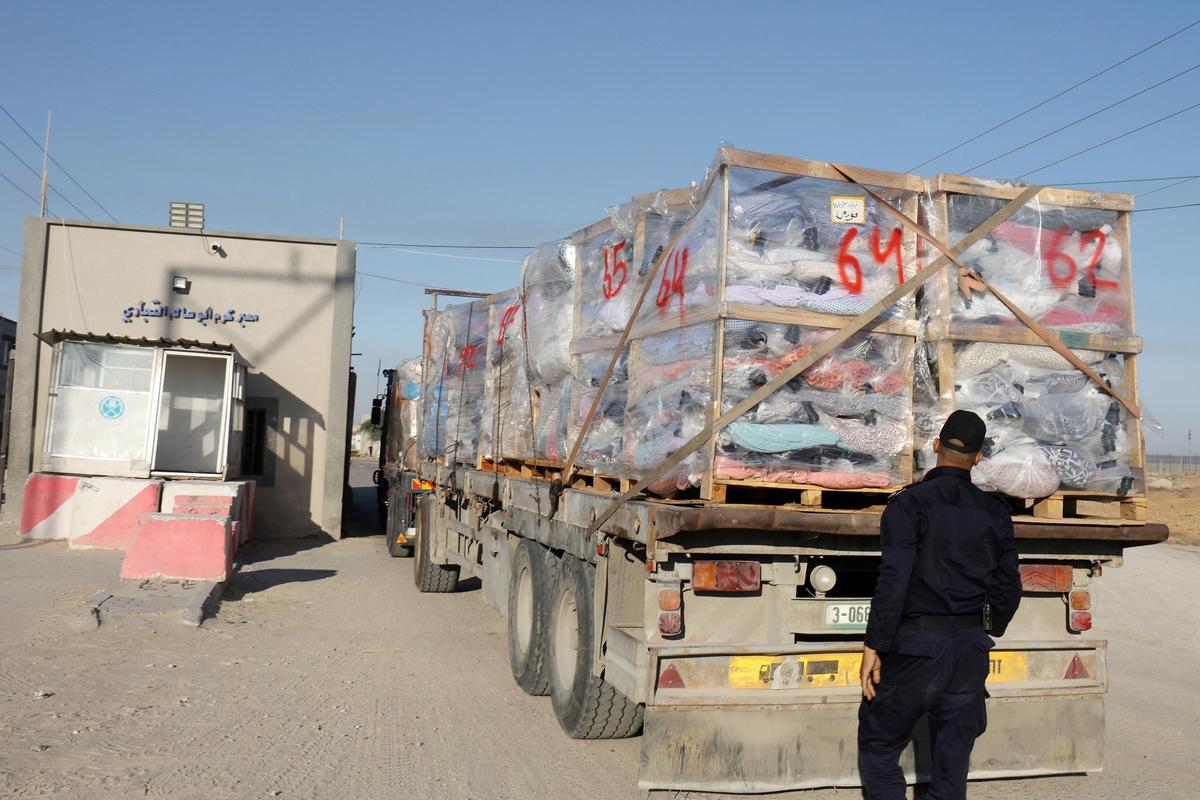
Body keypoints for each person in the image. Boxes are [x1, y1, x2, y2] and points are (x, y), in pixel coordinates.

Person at [857, 410, 1022, 800]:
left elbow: (893, 580)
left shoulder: (909, 505)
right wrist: (989, 628)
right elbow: (1008, 587)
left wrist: (873, 645)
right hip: (969, 647)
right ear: (978, 458)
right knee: (952, 765)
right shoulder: (996, 512)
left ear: (936, 446)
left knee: (880, 747)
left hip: (915, 646)